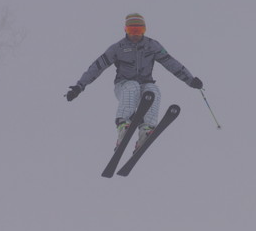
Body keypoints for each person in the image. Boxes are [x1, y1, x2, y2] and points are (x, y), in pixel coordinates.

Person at [66, 13, 203, 149]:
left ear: (144, 30)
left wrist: (190, 80)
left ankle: (146, 130)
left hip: (145, 85)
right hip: (124, 86)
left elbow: (171, 63)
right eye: (132, 30)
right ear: (126, 30)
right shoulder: (118, 48)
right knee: (133, 86)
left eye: (139, 30)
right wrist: (79, 87)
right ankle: (123, 126)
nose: (136, 34)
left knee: (153, 90)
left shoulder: (152, 46)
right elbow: (96, 67)